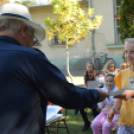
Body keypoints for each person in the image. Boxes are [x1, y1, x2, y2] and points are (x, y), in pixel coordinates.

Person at [0, 3, 108, 134]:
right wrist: (96, 94)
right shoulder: (29, 57)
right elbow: (66, 95)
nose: (33, 42)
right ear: (23, 30)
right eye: (33, 36)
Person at [107, 38, 134, 134]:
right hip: (125, 124)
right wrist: (113, 109)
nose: (128, 55)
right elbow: (121, 98)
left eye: (132, 52)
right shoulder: (121, 75)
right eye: (126, 52)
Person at [78, 62, 100, 132]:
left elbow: (96, 86)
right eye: (88, 67)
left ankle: (96, 124)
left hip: (93, 94)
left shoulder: (94, 75)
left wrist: (91, 88)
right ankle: (86, 123)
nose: (89, 68)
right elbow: (85, 84)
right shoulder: (85, 75)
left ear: (93, 68)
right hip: (87, 93)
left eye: (91, 67)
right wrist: (85, 89)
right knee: (81, 108)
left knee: (94, 108)